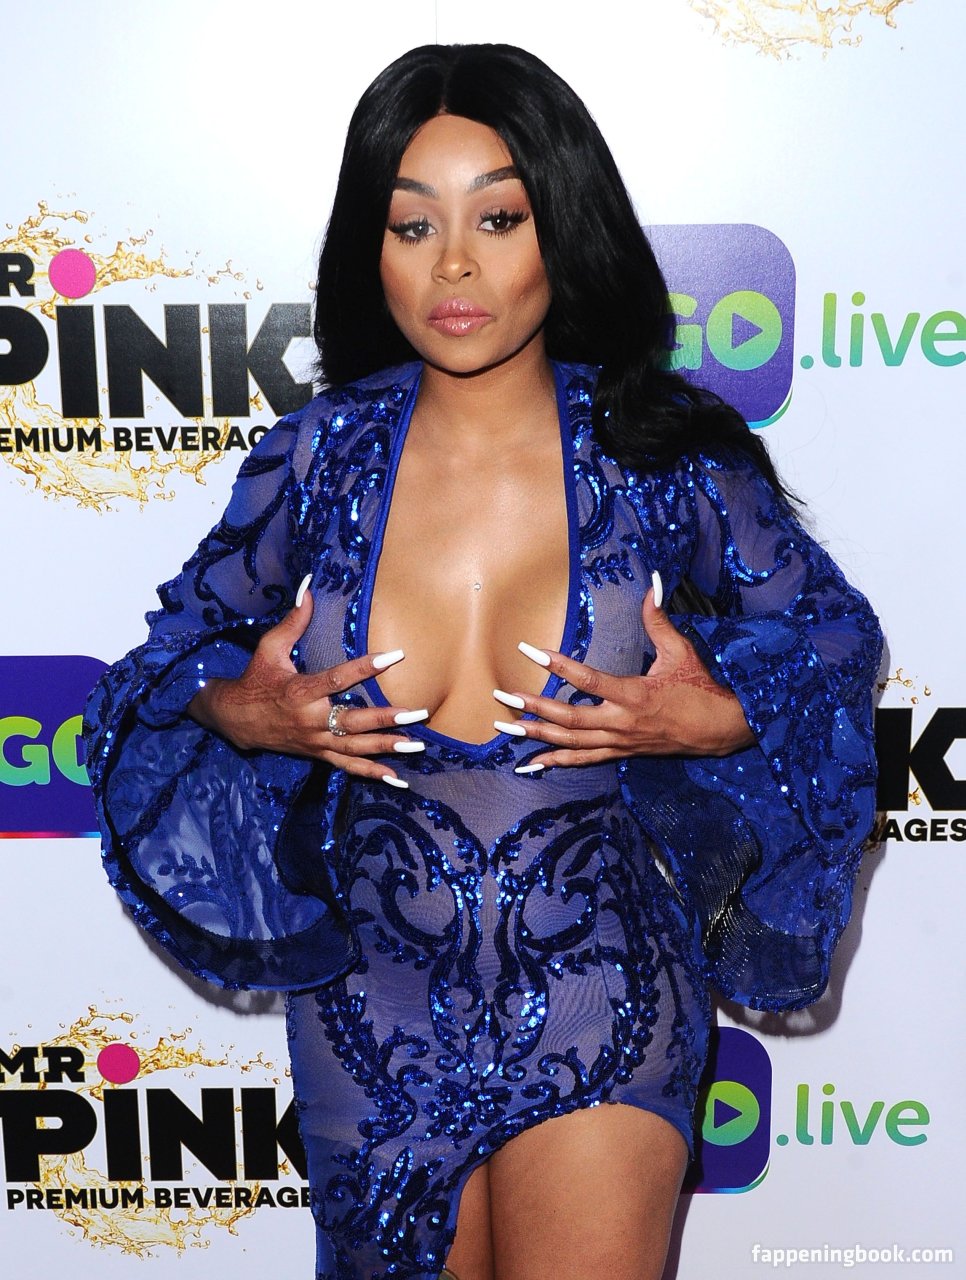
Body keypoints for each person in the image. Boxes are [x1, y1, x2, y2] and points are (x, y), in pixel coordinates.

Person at [83, 42, 882, 1280]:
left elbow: (836, 640)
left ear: (561, 226)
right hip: (371, 1009)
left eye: (497, 218)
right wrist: (245, 706)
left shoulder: (664, 455)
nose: (453, 264)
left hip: (608, 990)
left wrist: (713, 716)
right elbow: (165, 657)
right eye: (413, 226)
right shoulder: (315, 458)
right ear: (372, 249)